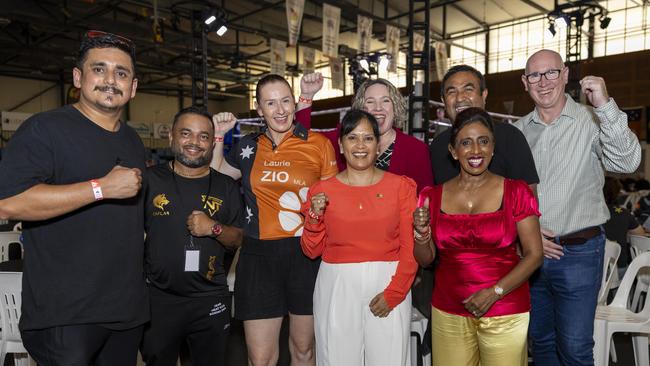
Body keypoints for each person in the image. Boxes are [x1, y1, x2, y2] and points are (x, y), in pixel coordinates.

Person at [0, 30, 148, 365]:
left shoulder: (132, 141)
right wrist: (100, 188)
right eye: (100, 69)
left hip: (125, 311)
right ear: (78, 78)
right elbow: (8, 202)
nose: (111, 80)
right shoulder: (45, 129)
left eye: (121, 73)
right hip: (65, 316)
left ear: (133, 87)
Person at [514, 49, 641, 366]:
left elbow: (628, 162)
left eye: (551, 73)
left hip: (579, 252)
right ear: (524, 82)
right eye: (534, 75)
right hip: (531, 253)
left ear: (566, 74)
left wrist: (604, 105)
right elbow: (504, 194)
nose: (543, 82)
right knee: (541, 344)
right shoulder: (516, 132)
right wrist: (524, 236)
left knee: (574, 348)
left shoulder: (591, 120)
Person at [211, 74, 338, 366]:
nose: (280, 110)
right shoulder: (248, 146)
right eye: (271, 103)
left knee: (304, 351)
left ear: (295, 103)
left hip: (306, 255)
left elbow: (335, 200)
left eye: (285, 101)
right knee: (260, 359)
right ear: (259, 109)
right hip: (258, 256)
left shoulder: (318, 144)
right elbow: (217, 175)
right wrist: (219, 134)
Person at [413, 107, 543, 365]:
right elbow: (425, 260)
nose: (475, 151)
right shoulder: (431, 196)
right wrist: (421, 234)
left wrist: (494, 292)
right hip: (448, 310)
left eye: (483, 141)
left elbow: (535, 255)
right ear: (453, 151)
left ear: (493, 147)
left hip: (505, 308)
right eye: (466, 143)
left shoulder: (516, 192)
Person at [301, 109, 418, 365]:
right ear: (341, 145)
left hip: (389, 283)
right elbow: (311, 251)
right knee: (336, 359)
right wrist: (314, 216)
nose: (360, 145)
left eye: (368, 138)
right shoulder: (321, 191)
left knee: (391, 359)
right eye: (352, 138)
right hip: (337, 285)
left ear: (378, 145)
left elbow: (410, 248)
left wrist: (395, 293)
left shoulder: (401, 187)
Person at [141, 107, 244, 365]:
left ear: (211, 142)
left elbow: (239, 238)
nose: (194, 143)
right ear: (171, 137)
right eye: (186, 134)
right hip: (158, 299)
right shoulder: (150, 181)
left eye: (203, 136)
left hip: (210, 299)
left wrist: (214, 228)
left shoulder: (227, 186)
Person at [295, 76, 433, 193]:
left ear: (395, 107)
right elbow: (303, 141)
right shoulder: (343, 139)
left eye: (386, 100)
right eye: (370, 101)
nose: (378, 108)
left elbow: (425, 202)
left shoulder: (416, 150)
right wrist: (306, 96)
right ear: (361, 109)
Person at [429, 65, 538, 187]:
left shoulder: (510, 137)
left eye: (468, 89)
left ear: (484, 95)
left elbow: (529, 200)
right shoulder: (438, 146)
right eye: (452, 92)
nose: (459, 98)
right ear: (443, 101)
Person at [603, 176, 645, 279]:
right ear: (618, 193)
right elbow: (641, 234)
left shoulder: (588, 215)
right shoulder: (624, 213)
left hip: (596, 269)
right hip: (619, 268)